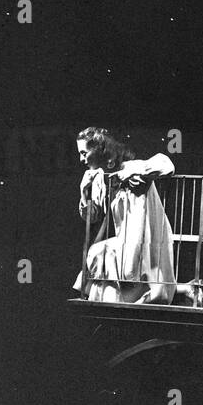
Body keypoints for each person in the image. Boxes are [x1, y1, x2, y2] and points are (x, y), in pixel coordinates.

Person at [72, 126, 178, 304]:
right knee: (99, 252)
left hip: (148, 235)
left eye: (84, 153)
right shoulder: (98, 178)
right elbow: (92, 216)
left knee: (139, 274)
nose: (81, 159)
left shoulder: (132, 168)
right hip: (126, 238)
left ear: (100, 151)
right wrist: (83, 191)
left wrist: (130, 174)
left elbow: (167, 165)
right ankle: (106, 303)